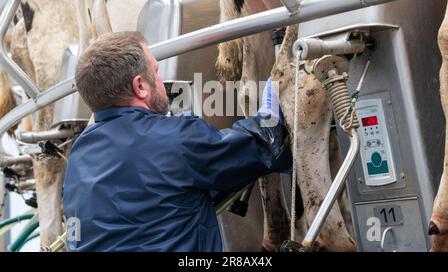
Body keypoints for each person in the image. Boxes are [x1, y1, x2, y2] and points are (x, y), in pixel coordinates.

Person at [63, 31, 289, 252]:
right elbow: (260, 143)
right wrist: (275, 94)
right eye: (156, 71)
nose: (161, 81)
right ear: (140, 86)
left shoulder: (77, 156)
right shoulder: (174, 138)